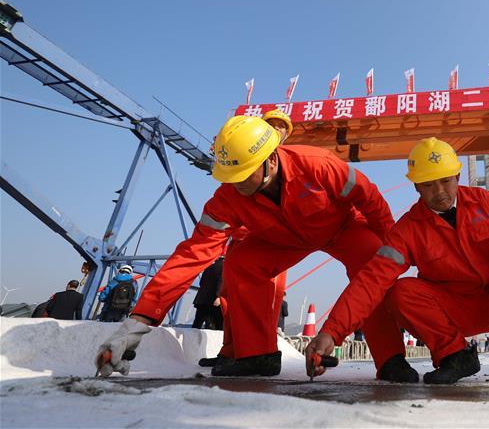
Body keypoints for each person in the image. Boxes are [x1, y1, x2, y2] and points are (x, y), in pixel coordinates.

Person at [95, 116, 408, 380]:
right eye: (230, 177)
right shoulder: (227, 198)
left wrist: (391, 249)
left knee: (372, 263)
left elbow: (371, 200)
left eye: (243, 175)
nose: (237, 185)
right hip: (282, 242)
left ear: (270, 159)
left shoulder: (319, 165)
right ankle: (258, 355)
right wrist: (139, 321)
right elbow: (192, 254)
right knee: (240, 262)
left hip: (343, 229)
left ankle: (391, 359)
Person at [307, 137, 489, 384]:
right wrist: (331, 332)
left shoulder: (486, 203)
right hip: (454, 311)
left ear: (458, 177)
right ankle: (455, 356)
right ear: (416, 187)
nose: (439, 193)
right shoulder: (407, 229)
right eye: (428, 185)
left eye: (446, 181)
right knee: (399, 292)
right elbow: (372, 280)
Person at [192, 257, 224, 330]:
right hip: (214, 301)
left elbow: (201, 282)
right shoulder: (225, 266)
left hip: (201, 300)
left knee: (197, 325)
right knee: (219, 326)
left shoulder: (209, 267)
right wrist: (218, 296)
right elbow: (221, 281)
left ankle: (190, 340)